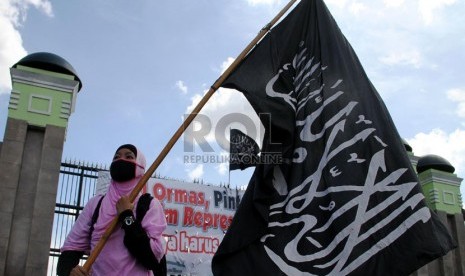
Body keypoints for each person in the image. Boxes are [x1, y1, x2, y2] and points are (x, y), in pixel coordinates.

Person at [57, 144, 167, 276]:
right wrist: (69, 271)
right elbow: (70, 249)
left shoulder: (149, 205)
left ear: (140, 167)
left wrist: (127, 216)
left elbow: (152, 258)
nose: (120, 159)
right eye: (116, 157)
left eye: (129, 156)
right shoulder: (96, 204)